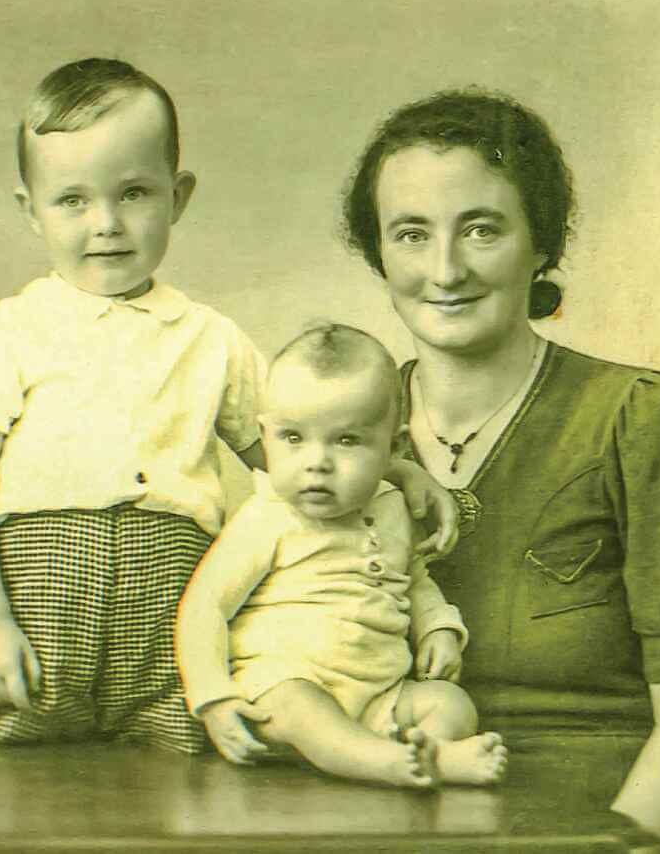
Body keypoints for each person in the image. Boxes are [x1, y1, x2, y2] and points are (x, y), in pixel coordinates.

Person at [0, 58, 456, 753]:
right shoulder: (7, 331)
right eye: (72, 200)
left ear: (177, 196)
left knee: (192, 770)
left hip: (171, 606)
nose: (106, 225)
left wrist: (401, 474)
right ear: (29, 210)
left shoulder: (212, 339)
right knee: (2, 770)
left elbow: (299, 449)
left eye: (133, 193)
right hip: (39, 606)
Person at [343, 89, 660, 844]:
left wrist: (622, 847)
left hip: (601, 828)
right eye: (410, 234)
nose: (443, 269)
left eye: (480, 229)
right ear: (377, 251)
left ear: (540, 241)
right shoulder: (335, 439)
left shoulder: (640, 419)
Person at [177, 324, 506, 787]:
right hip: (284, 683)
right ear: (265, 436)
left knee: (449, 703)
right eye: (293, 438)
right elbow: (205, 604)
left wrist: (439, 627)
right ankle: (389, 764)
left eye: (346, 440)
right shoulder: (267, 517)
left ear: (393, 447)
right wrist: (213, 696)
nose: (317, 462)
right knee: (299, 708)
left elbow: (412, 578)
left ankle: (429, 750)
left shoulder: (392, 506)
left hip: (379, 694)